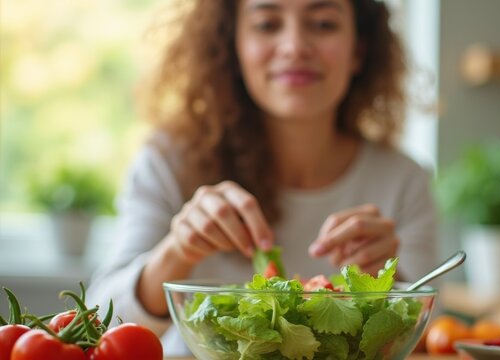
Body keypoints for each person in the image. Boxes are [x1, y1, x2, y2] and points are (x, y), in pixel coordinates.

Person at [87, 0, 436, 355]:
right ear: (232, 47)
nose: (295, 46)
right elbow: (99, 324)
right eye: (268, 24)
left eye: (324, 24)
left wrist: (393, 286)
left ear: (358, 50)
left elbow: (428, 337)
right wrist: (178, 250)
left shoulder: (404, 179)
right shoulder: (167, 162)